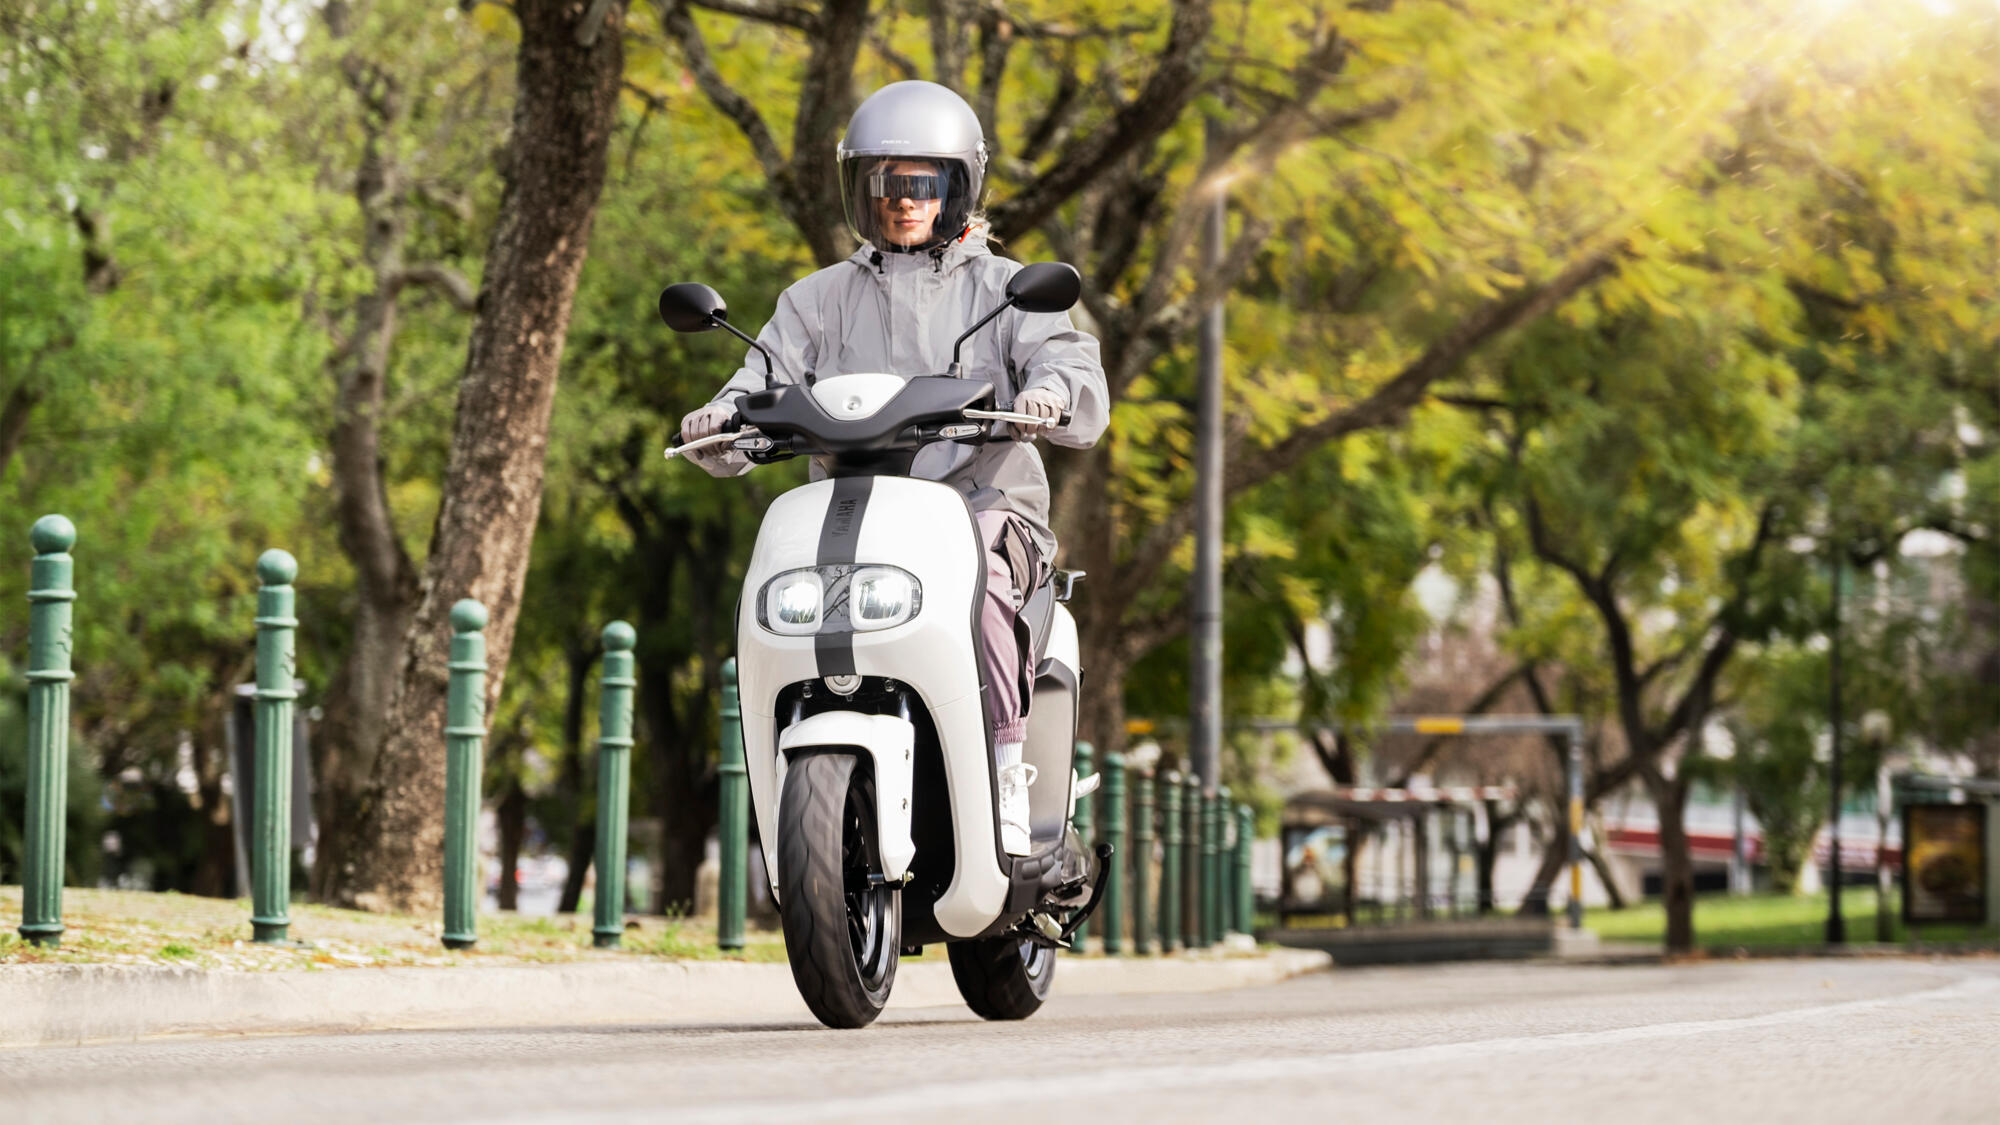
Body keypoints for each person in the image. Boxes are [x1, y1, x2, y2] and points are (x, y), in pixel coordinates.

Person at [681, 80, 1107, 855]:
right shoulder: (815, 300)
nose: (904, 201)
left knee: (983, 586)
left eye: (922, 184)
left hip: (983, 506)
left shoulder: (1008, 290)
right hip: (856, 519)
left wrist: (1050, 392)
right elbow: (759, 377)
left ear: (958, 187)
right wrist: (720, 419)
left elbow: (1068, 363)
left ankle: (1006, 768)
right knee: (775, 593)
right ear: (861, 192)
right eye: (885, 184)